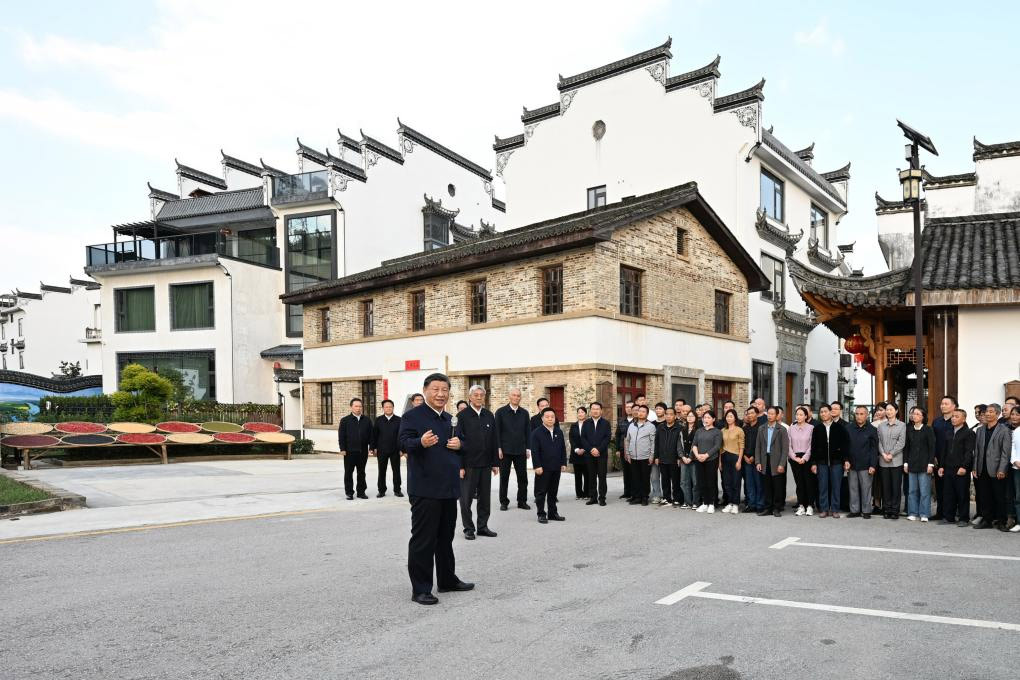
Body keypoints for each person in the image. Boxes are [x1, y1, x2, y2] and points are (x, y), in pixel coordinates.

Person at [398, 373, 473, 605]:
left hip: (449, 488)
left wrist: (461, 445)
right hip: (425, 488)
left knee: (445, 538)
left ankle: (447, 579)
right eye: (435, 389)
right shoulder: (412, 417)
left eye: (444, 390)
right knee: (423, 539)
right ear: (425, 390)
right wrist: (420, 442)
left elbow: (465, 445)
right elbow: (401, 443)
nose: (441, 394)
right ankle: (420, 589)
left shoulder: (452, 419)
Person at [458, 384, 499, 540]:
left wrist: (495, 463)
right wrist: (460, 465)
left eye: (482, 395)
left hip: (486, 463)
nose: (479, 397)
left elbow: (494, 440)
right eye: (476, 395)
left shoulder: (489, 415)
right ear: (470, 397)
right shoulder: (462, 416)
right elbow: (457, 443)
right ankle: (468, 528)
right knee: (466, 499)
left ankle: (482, 527)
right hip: (468, 464)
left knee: (485, 499)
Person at [973, 404, 1012, 531]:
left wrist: (1002, 469)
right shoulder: (980, 430)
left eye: (991, 412)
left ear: (998, 414)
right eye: (986, 412)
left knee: (999, 496)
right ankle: (987, 520)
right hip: (982, 468)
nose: (988, 414)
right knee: (984, 495)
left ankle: (1001, 521)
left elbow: (1006, 453)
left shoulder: (1004, 430)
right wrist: (975, 467)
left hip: (997, 469)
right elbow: (977, 451)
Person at [494, 388, 531, 512]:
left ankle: (522, 501)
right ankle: (504, 502)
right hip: (505, 450)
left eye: (518, 395)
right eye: (514, 395)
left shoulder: (525, 413)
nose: (516, 397)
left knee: (523, 477)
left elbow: (528, 431)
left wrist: (528, 448)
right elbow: (497, 432)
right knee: (504, 477)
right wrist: (498, 447)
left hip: (520, 449)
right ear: (509, 397)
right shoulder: (500, 412)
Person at [529, 407, 567, 524]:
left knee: (553, 491)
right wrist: (537, 466)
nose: (550, 419)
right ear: (542, 419)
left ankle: (552, 513)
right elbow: (535, 451)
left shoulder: (558, 432)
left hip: (556, 467)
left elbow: (562, 449)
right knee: (541, 492)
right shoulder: (537, 433)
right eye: (547, 417)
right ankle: (541, 513)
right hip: (543, 468)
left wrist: (563, 463)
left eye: (552, 417)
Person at [939, 408, 974, 527]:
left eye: (956, 416)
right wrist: (941, 466)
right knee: (948, 493)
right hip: (948, 467)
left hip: (961, 468)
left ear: (964, 419)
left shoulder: (968, 433)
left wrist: (964, 466)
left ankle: (964, 518)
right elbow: (944, 451)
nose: (953, 418)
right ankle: (949, 517)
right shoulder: (948, 432)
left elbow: (969, 452)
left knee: (962, 494)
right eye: (953, 416)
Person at [812, 404, 848, 518]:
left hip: (836, 462)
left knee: (836, 486)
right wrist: (813, 463)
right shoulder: (817, 428)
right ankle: (824, 509)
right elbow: (813, 446)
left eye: (825, 411)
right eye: (821, 412)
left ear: (830, 412)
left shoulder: (839, 427)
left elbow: (845, 446)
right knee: (823, 486)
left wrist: (845, 460)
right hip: (821, 462)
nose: (823, 414)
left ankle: (835, 509)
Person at [845, 405, 878, 518]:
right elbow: (845, 447)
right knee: (853, 488)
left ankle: (867, 511)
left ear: (867, 415)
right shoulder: (849, 428)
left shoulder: (872, 430)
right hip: (852, 464)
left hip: (866, 464)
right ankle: (854, 510)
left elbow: (874, 449)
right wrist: (846, 460)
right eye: (857, 414)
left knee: (866, 488)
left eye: (862, 414)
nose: (859, 416)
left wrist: (873, 465)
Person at [904, 406, 936, 522]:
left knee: (924, 491)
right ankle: (913, 512)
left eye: (917, 414)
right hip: (912, 464)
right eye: (913, 414)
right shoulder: (909, 429)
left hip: (924, 464)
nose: (914, 416)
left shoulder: (928, 430)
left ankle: (924, 513)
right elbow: (906, 447)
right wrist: (905, 463)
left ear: (923, 417)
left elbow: (932, 448)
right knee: (912, 490)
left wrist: (930, 464)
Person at [756, 406, 790, 516]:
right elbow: (758, 447)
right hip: (765, 460)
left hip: (777, 460)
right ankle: (768, 508)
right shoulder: (761, 428)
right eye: (768, 414)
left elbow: (785, 449)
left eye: (772, 414)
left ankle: (777, 508)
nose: (770, 416)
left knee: (777, 485)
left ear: (776, 416)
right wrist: (758, 462)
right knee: (767, 485)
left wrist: (782, 464)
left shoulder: (782, 429)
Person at [339, 397, 373, 500]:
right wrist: (342, 449)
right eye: (356, 406)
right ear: (351, 407)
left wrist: (371, 447)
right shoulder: (345, 420)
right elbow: (341, 436)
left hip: (362, 451)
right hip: (349, 451)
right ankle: (349, 493)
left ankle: (361, 492)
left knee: (361, 472)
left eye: (360, 406)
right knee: (349, 472)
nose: (358, 408)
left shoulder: (367, 420)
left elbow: (371, 435)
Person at [876, 403, 906, 520]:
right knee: (886, 486)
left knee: (896, 487)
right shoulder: (881, 426)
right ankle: (887, 509)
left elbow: (901, 442)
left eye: (891, 409)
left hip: (896, 461)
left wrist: (891, 454)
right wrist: (883, 454)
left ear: (896, 411)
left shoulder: (902, 425)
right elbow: (879, 441)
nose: (888, 412)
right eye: (887, 410)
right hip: (883, 460)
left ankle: (895, 510)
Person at [930, 395, 957, 522]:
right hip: (938, 459)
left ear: (954, 406)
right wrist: (933, 456)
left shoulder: (957, 420)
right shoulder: (936, 422)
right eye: (942, 403)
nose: (943, 406)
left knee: (950, 488)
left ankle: (950, 514)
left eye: (946, 403)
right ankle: (940, 513)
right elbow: (933, 441)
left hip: (952, 460)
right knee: (939, 488)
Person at [581, 401, 612, 506]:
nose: (595, 411)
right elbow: (583, 438)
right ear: (590, 411)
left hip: (601, 454)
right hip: (589, 455)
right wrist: (591, 450)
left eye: (597, 409)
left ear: (601, 411)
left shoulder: (606, 423)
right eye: (593, 409)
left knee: (602, 477)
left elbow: (607, 438)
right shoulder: (586, 423)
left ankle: (602, 498)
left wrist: (598, 449)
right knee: (591, 476)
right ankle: (593, 497)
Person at [371, 399, 403, 498]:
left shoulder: (399, 420)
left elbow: (402, 435)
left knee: (396, 471)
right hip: (382, 450)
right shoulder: (378, 420)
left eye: (390, 407)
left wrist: (402, 449)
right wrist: (373, 447)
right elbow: (374, 435)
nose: (388, 408)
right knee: (381, 471)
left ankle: (397, 490)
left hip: (395, 450)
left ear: (393, 408)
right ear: (383, 408)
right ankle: (381, 490)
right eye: (386, 407)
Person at [625, 404, 656, 506]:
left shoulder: (651, 426)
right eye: (639, 411)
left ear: (647, 414)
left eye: (643, 411)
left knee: (645, 478)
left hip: (645, 457)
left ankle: (644, 497)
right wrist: (628, 453)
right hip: (633, 456)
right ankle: (636, 496)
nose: (641, 413)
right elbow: (627, 440)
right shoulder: (631, 425)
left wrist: (651, 456)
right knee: (635, 477)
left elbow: (653, 442)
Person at [692, 410, 722, 513]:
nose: (706, 419)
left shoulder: (717, 431)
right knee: (701, 481)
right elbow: (694, 445)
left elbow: (717, 446)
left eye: (709, 417)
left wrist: (706, 455)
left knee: (711, 481)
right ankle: (705, 502)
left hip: (711, 460)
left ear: (713, 419)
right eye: (705, 417)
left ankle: (712, 503)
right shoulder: (699, 431)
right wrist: (697, 455)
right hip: (699, 459)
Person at [788, 406, 815, 517]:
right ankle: (801, 506)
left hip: (807, 458)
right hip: (795, 458)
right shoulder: (791, 428)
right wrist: (795, 457)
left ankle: (809, 506)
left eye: (801, 415)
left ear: (806, 416)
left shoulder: (811, 428)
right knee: (799, 483)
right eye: (797, 414)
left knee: (808, 482)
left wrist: (804, 458)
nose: (798, 416)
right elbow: (788, 445)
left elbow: (811, 445)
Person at [655, 407, 682, 507]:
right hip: (662, 458)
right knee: (664, 479)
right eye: (667, 414)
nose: (668, 416)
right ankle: (666, 498)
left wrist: (679, 457)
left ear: (675, 416)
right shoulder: (660, 427)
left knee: (676, 480)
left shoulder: (679, 428)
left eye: (671, 414)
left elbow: (681, 445)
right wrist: (656, 456)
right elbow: (656, 442)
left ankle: (676, 498)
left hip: (674, 459)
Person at [719, 409, 744, 514]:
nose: (729, 418)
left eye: (731, 416)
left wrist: (739, 461)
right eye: (727, 416)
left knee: (736, 482)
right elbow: (720, 448)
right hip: (724, 457)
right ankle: (729, 503)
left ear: (735, 418)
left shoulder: (739, 430)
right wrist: (719, 462)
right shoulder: (722, 430)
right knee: (726, 482)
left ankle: (736, 504)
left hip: (735, 457)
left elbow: (741, 447)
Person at [742, 406, 763, 513]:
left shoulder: (762, 428)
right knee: (749, 483)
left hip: (758, 459)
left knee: (759, 483)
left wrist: (755, 457)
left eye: (751, 413)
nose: (749, 415)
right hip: (746, 459)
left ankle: (760, 505)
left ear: (757, 414)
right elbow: (741, 444)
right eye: (748, 413)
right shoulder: (745, 429)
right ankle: (751, 504)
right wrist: (745, 456)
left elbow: (761, 445)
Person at [678, 410, 699, 510]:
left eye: (692, 416)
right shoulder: (682, 430)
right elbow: (679, 446)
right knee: (683, 481)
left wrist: (690, 457)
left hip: (694, 460)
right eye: (688, 416)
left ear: (696, 418)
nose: (690, 418)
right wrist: (682, 457)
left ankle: (695, 502)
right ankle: (687, 501)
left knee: (695, 482)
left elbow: (697, 445)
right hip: (684, 459)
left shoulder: (698, 430)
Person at [569, 407, 590, 501]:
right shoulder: (573, 426)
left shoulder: (590, 424)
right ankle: (579, 494)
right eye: (579, 412)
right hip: (576, 454)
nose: (580, 414)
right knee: (577, 476)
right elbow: (571, 439)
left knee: (587, 475)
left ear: (586, 414)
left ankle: (587, 493)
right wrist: (577, 449)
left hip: (587, 453)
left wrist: (585, 449)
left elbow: (591, 438)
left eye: (582, 412)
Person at [615, 401, 635, 500]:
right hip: (623, 449)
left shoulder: (636, 421)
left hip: (634, 451)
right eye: (626, 407)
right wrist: (617, 449)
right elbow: (618, 435)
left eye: (630, 407)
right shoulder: (621, 420)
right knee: (626, 472)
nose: (628, 409)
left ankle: (633, 492)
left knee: (633, 472)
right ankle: (626, 492)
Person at [1009, 405, 1020, 532]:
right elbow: (1012, 448)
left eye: (1017, 414)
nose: (1014, 416)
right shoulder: (1016, 431)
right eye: (1013, 414)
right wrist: (1015, 461)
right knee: (1018, 497)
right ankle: (1019, 522)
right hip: (1017, 467)